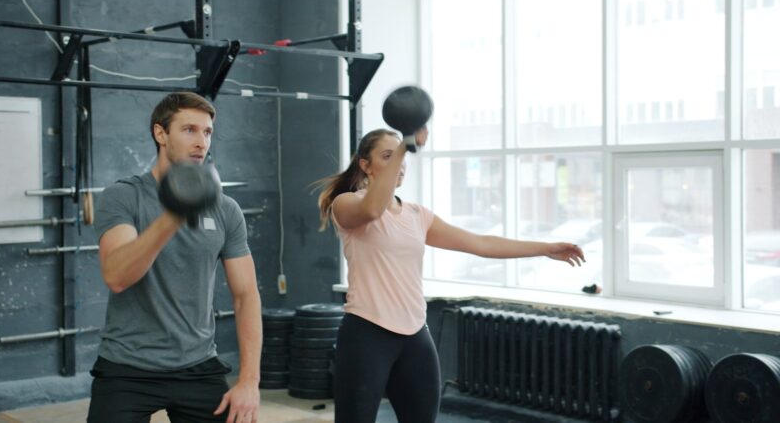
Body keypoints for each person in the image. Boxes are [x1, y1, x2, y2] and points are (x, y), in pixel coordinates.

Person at [316, 127, 585, 423]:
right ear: (365, 165)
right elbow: (372, 209)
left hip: (415, 334)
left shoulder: (418, 215)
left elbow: (480, 243)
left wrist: (545, 248)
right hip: (367, 334)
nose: (399, 164)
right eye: (388, 156)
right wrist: (406, 145)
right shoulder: (347, 204)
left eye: (401, 157)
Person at [88, 92, 262, 423]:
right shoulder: (124, 196)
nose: (201, 142)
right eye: (189, 130)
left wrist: (249, 381)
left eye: (207, 132)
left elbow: (246, 295)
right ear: (160, 134)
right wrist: (175, 214)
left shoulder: (225, 208)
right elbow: (117, 276)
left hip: (197, 365)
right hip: (127, 368)